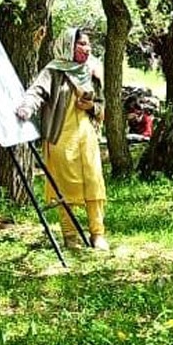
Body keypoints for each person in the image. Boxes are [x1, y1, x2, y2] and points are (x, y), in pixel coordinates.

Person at [17, 27, 109, 251]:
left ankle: (97, 234)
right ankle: (70, 236)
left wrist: (92, 106)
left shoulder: (92, 71)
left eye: (88, 44)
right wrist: (26, 107)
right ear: (68, 45)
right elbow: (37, 91)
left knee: (93, 183)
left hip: (87, 137)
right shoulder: (54, 70)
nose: (86, 49)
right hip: (61, 137)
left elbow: (102, 105)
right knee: (65, 186)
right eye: (81, 44)